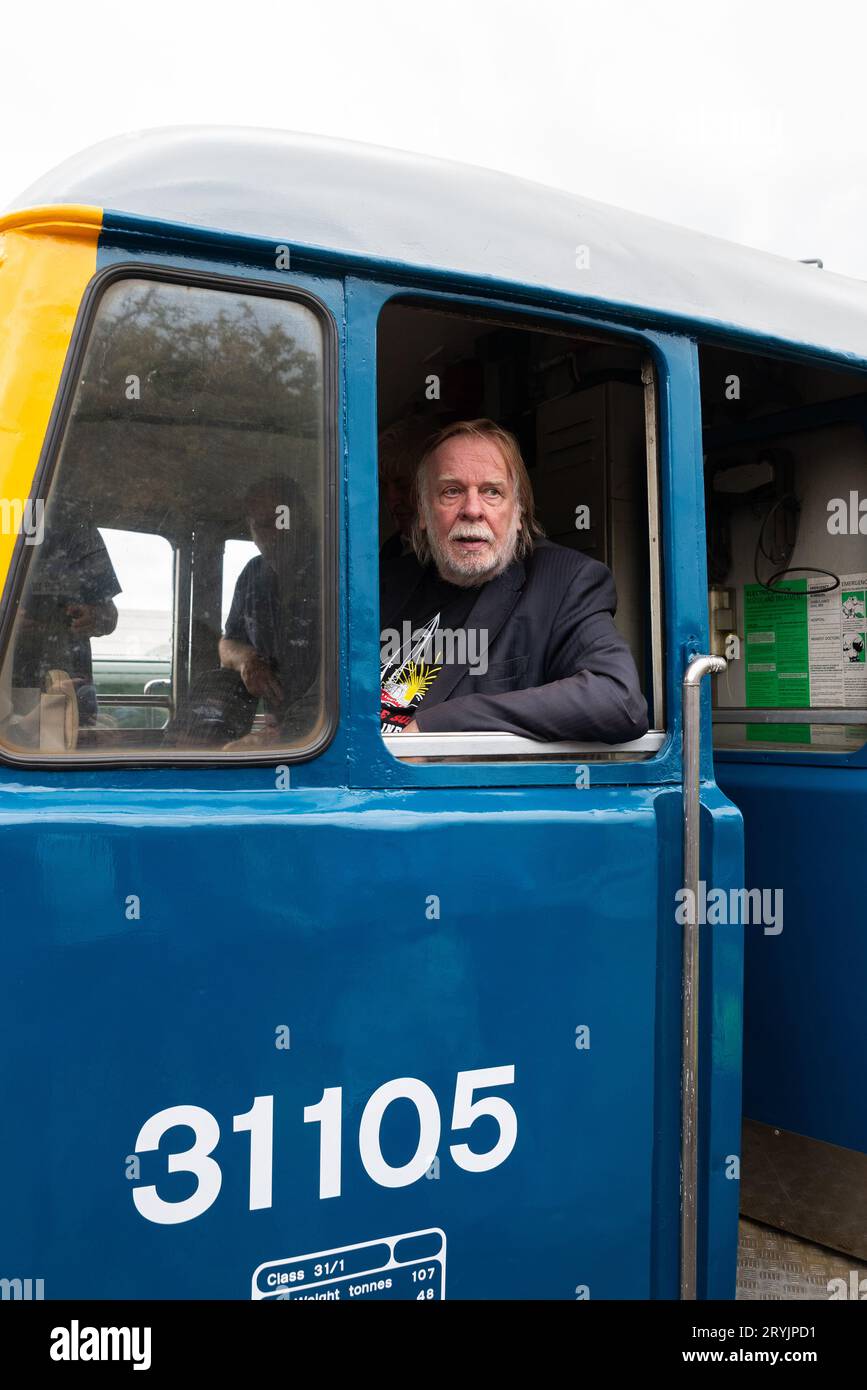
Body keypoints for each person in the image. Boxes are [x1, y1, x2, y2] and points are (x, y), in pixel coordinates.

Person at [379, 418, 649, 742]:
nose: (473, 510)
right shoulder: (386, 583)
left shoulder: (564, 582)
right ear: (423, 512)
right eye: (452, 491)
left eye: (492, 492)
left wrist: (438, 727)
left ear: (519, 512)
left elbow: (618, 700)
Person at [13, 503, 120, 726]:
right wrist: (9, 621)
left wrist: (95, 616)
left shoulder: (78, 530)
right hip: (9, 686)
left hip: (71, 684)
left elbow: (110, 616)